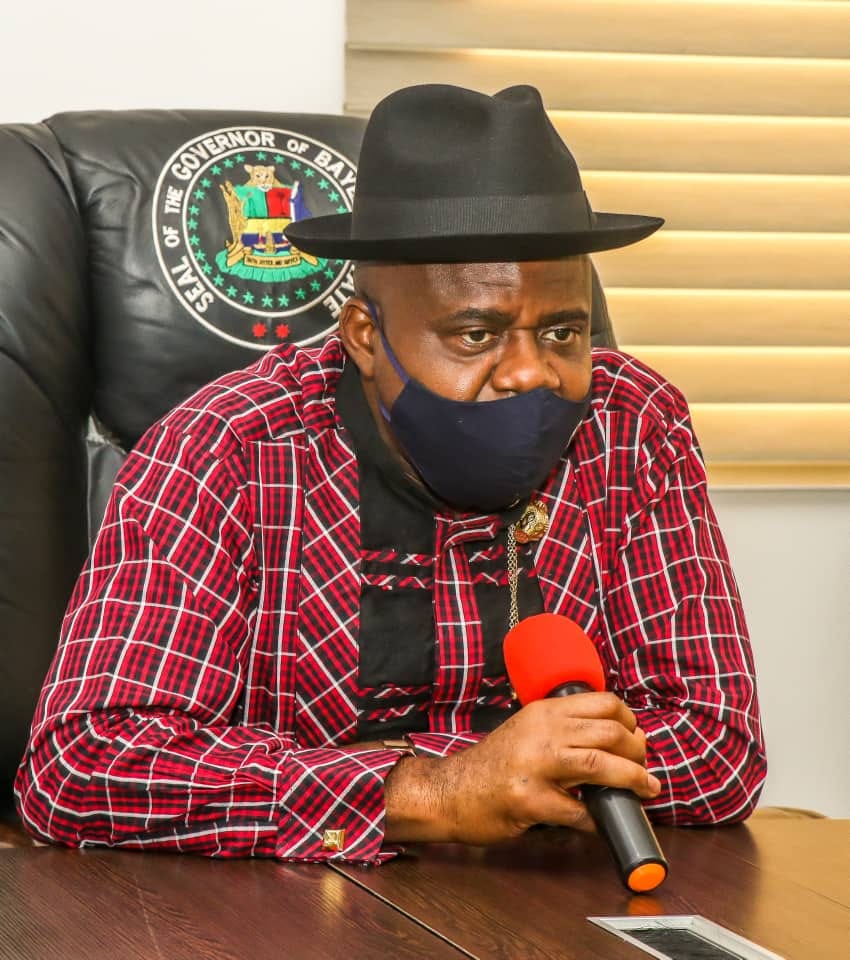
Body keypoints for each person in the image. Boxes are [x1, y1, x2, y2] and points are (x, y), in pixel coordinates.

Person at [15, 84, 766, 863]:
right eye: (476, 334)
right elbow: (82, 767)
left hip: (546, 897)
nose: (528, 373)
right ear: (365, 336)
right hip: (278, 910)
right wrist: (437, 790)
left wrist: (512, 776)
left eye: (562, 332)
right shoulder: (226, 449)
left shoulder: (632, 426)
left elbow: (717, 746)